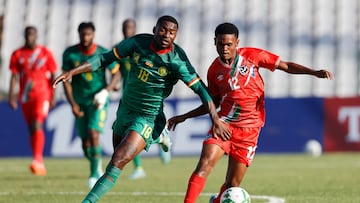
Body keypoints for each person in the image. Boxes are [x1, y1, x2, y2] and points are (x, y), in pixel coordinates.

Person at [52, 15, 230, 203]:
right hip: (125, 110)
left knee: (117, 161)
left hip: (147, 117)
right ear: (155, 29)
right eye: (163, 30)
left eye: (172, 33)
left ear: (175, 36)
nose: (166, 35)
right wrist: (72, 72)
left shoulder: (176, 60)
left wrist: (216, 119)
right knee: (116, 156)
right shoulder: (138, 43)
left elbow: (202, 90)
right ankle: (160, 136)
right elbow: (104, 58)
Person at [167, 22, 334, 203]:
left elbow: (285, 66)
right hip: (225, 125)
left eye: (229, 44)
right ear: (214, 42)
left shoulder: (253, 56)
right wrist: (185, 116)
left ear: (237, 43)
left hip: (249, 131)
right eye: (221, 44)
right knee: (204, 165)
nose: (224, 48)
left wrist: (314, 72)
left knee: (232, 186)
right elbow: (212, 102)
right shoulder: (214, 70)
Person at [61, 22, 120, 188]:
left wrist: (106, 91)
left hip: (98, 100)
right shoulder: (70, 54)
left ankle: (94, 174)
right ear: (78, 34)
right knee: (85, 143)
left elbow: (117, 74)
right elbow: (66, 81)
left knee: (94, 133)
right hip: (80, 101)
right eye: (82, 34)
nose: (85, 37)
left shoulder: (102, 53)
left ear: (93, 35)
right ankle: (96, 161)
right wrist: (72, 103)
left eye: (88, 34)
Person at [119, 18, 172, 180]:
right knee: (128, 135)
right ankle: (159, 139)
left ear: (134, 29)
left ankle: (158, 139)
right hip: (128, 96)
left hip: (147, 97)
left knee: (133, 134)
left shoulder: (142, 47)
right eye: (125, 28)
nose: (127, 31)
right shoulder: (123, 48)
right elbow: (115, 69)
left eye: (130, 28)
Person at [8, 26, 58, 176]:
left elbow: (54, 73)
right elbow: (15, 76)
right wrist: (12, 96)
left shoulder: (45, 53)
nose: (30, 37)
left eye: (32, 35)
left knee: (37, 123)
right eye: (27, 35)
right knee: (32, 128)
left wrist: (53, 95)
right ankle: (39, 160)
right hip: (25, 97)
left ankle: (37, 159)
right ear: (24, 36)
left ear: (36, 36)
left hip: (43, 95)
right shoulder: (17, 54)